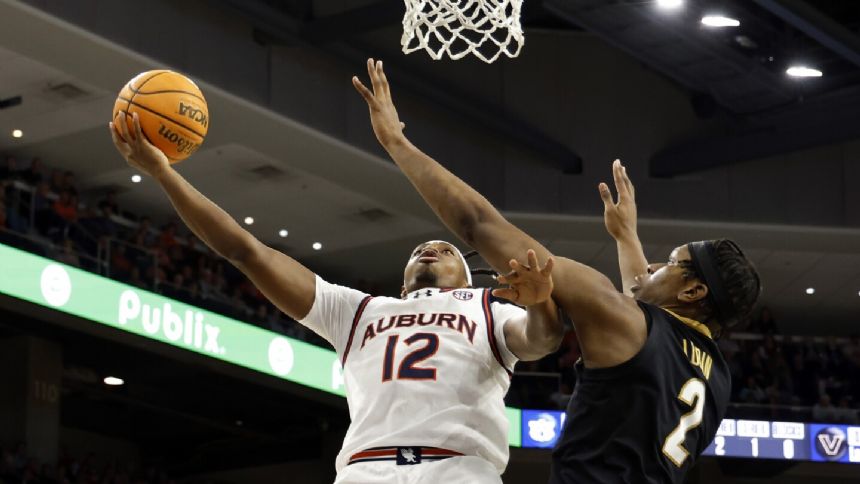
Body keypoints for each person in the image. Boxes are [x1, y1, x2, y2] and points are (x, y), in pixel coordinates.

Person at [353, 58, 762, 484]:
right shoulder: (717, 379)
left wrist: (396, 143)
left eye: (672, 264)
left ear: (694, 292)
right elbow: (643, 318)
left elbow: (479, 225)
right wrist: (626, 238)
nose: (654, 267)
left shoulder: (621, 318)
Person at [108, 111, 563, 484]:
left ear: (466, 283)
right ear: (402, 286)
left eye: (445, 250)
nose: (431, 248)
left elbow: (540, 341)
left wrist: (541, 302)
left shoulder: (485, 306)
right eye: (421, 250)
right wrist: (162, 173)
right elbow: (244, 250)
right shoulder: (358, 311)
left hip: (459, 469)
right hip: (366, 470)